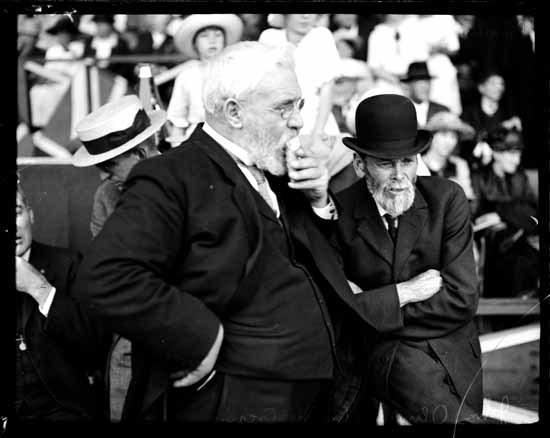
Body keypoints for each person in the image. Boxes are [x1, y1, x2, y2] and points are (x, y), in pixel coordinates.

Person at [73, 41, 375, 423]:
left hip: (321, 386)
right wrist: (201, 337)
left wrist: (318, 201)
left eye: (298, 105)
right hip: (241, 396)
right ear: (234, 112)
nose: (298, 121)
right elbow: (106, 278)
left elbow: (317, 264)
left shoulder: (275, 166)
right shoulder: (172, 174)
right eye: (284, 107)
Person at [334, 94, 484, 424]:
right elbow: (341, 311)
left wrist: (377, 307)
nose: (400, 175)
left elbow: (462, 298)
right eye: (386, 164)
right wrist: (408, 291)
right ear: (360, 165)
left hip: (448, 350)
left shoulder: (447, 199)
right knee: (401, 361)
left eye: (408, 161)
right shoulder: (340, 212)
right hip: (382, 357)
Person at [72, 94, 166, 422]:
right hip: (132, 321)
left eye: (109, 166)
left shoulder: (187, 179)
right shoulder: (106, 196)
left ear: (141, 152)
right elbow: (107, 270)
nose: (104, 176)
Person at [15, 182, 109, 421]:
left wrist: (41, 289)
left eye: (16, 212)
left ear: (30, 214)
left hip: (63, 410)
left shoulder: (68, 264)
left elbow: (95, 344)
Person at [471, 126, 538, 299]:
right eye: (512, 154)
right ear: (497, 153)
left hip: (519, 238)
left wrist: (500, 213)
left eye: (519, 154)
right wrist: (514, 213)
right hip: (492, 244)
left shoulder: (519, 177)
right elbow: (476, 218)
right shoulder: (479, 177)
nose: (517, 160)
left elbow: (533, 213)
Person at [167, 14, 243, 143]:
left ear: (225, 41)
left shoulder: (237, 72)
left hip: (232, 139)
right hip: (195, 141)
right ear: (195, 43)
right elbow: (178, 121)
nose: (212, 41)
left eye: (218, 35)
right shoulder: (187, 76)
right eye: (204, 36)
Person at [423, 111, 476, 200]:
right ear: (432, 137)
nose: (449, 142)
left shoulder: (459, 165)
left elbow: (468, 200)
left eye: (453, 137)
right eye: (444, 135)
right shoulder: (419, 164)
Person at [400, 61, 450, 128]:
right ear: (409, 85)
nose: (424, 87)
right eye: (419, 82)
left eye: (427, 82)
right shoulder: (399, 112)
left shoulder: (442, 111)